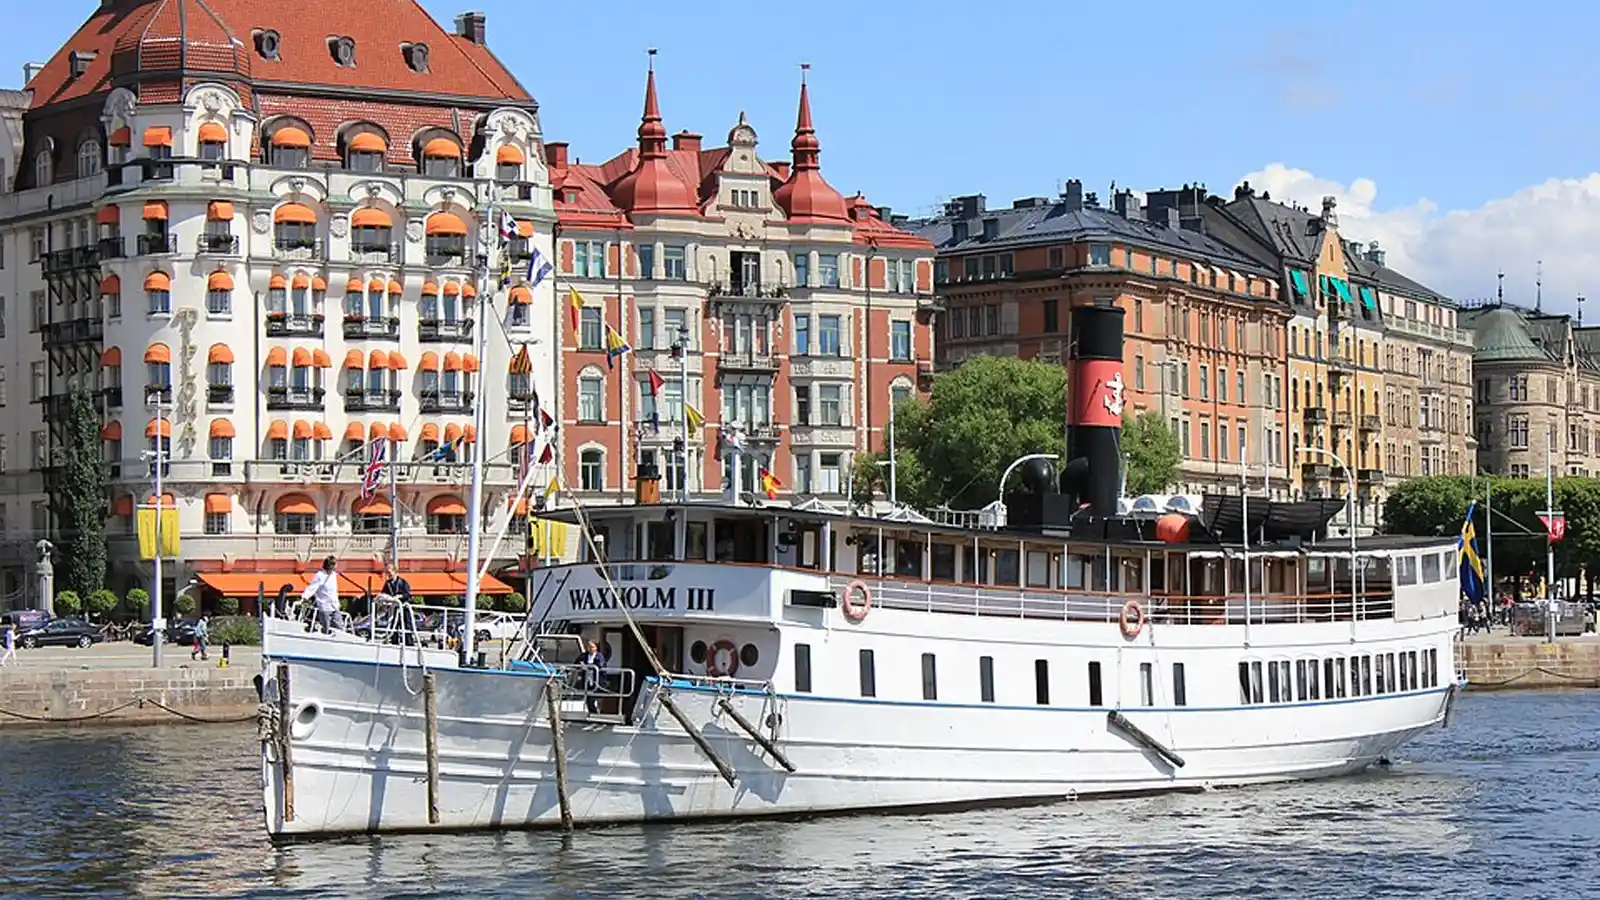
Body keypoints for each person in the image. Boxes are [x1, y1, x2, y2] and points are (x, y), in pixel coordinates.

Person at [301, 556, 341, 633]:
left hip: (335, 605)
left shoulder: (333, 575)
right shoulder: (320, 575)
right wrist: (305, 597)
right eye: (333, 564)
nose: (335, 566)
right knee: (326, 629)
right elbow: (312, 587)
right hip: (324, 606)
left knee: (339, 627)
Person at [577, 639, 606, 713]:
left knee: (594, 696)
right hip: (587, 678)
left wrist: (589, 667)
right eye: (589, 647)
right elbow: (577, 662)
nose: (590, 649)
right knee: (588, 697)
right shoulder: (584, 655)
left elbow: (601, 665)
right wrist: (580, 665)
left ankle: (596, 712)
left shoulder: (599, 656)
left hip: (596, 679)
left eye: (592, 647)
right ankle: (591, 711)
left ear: (596, 647)